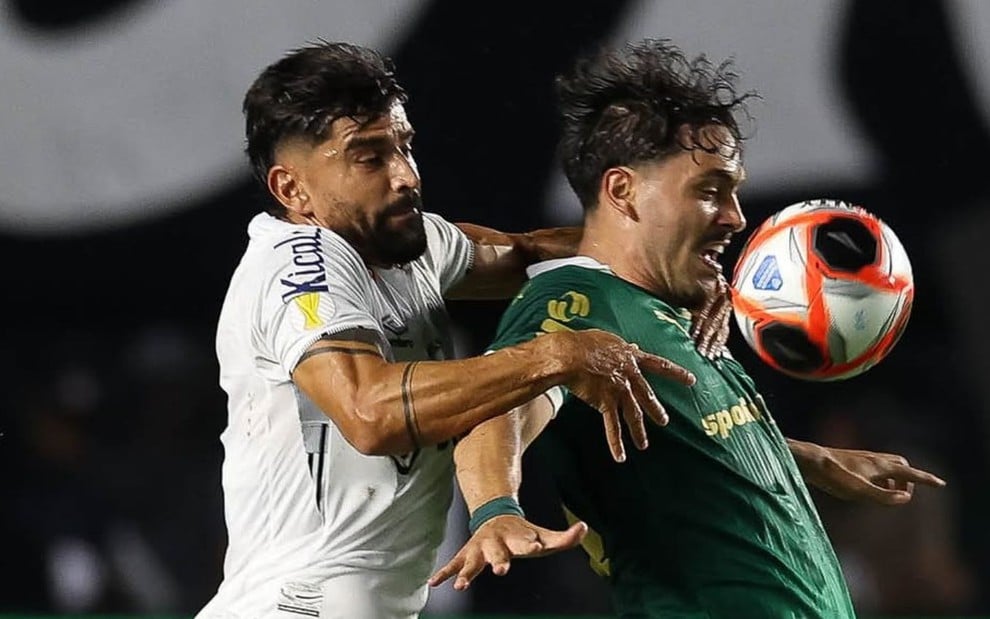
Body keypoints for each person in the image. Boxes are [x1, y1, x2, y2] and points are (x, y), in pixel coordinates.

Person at [431, 39, 946, 618]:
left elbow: (690, 441)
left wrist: (808, 459)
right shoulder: (574, 302)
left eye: (734, 190)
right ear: (622, 191)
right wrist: (494, 506)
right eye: (709, 191)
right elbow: (501, 402)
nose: (735, 216)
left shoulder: (672, 307)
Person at [196, 40, 705, 619]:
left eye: (403, 146)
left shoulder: (411, 247)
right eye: (368, 157)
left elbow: (536, 254)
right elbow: (370, 412)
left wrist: (687, 261)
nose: (405, 176)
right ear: (292, 190)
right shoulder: (299, 264)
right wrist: (556, 355)